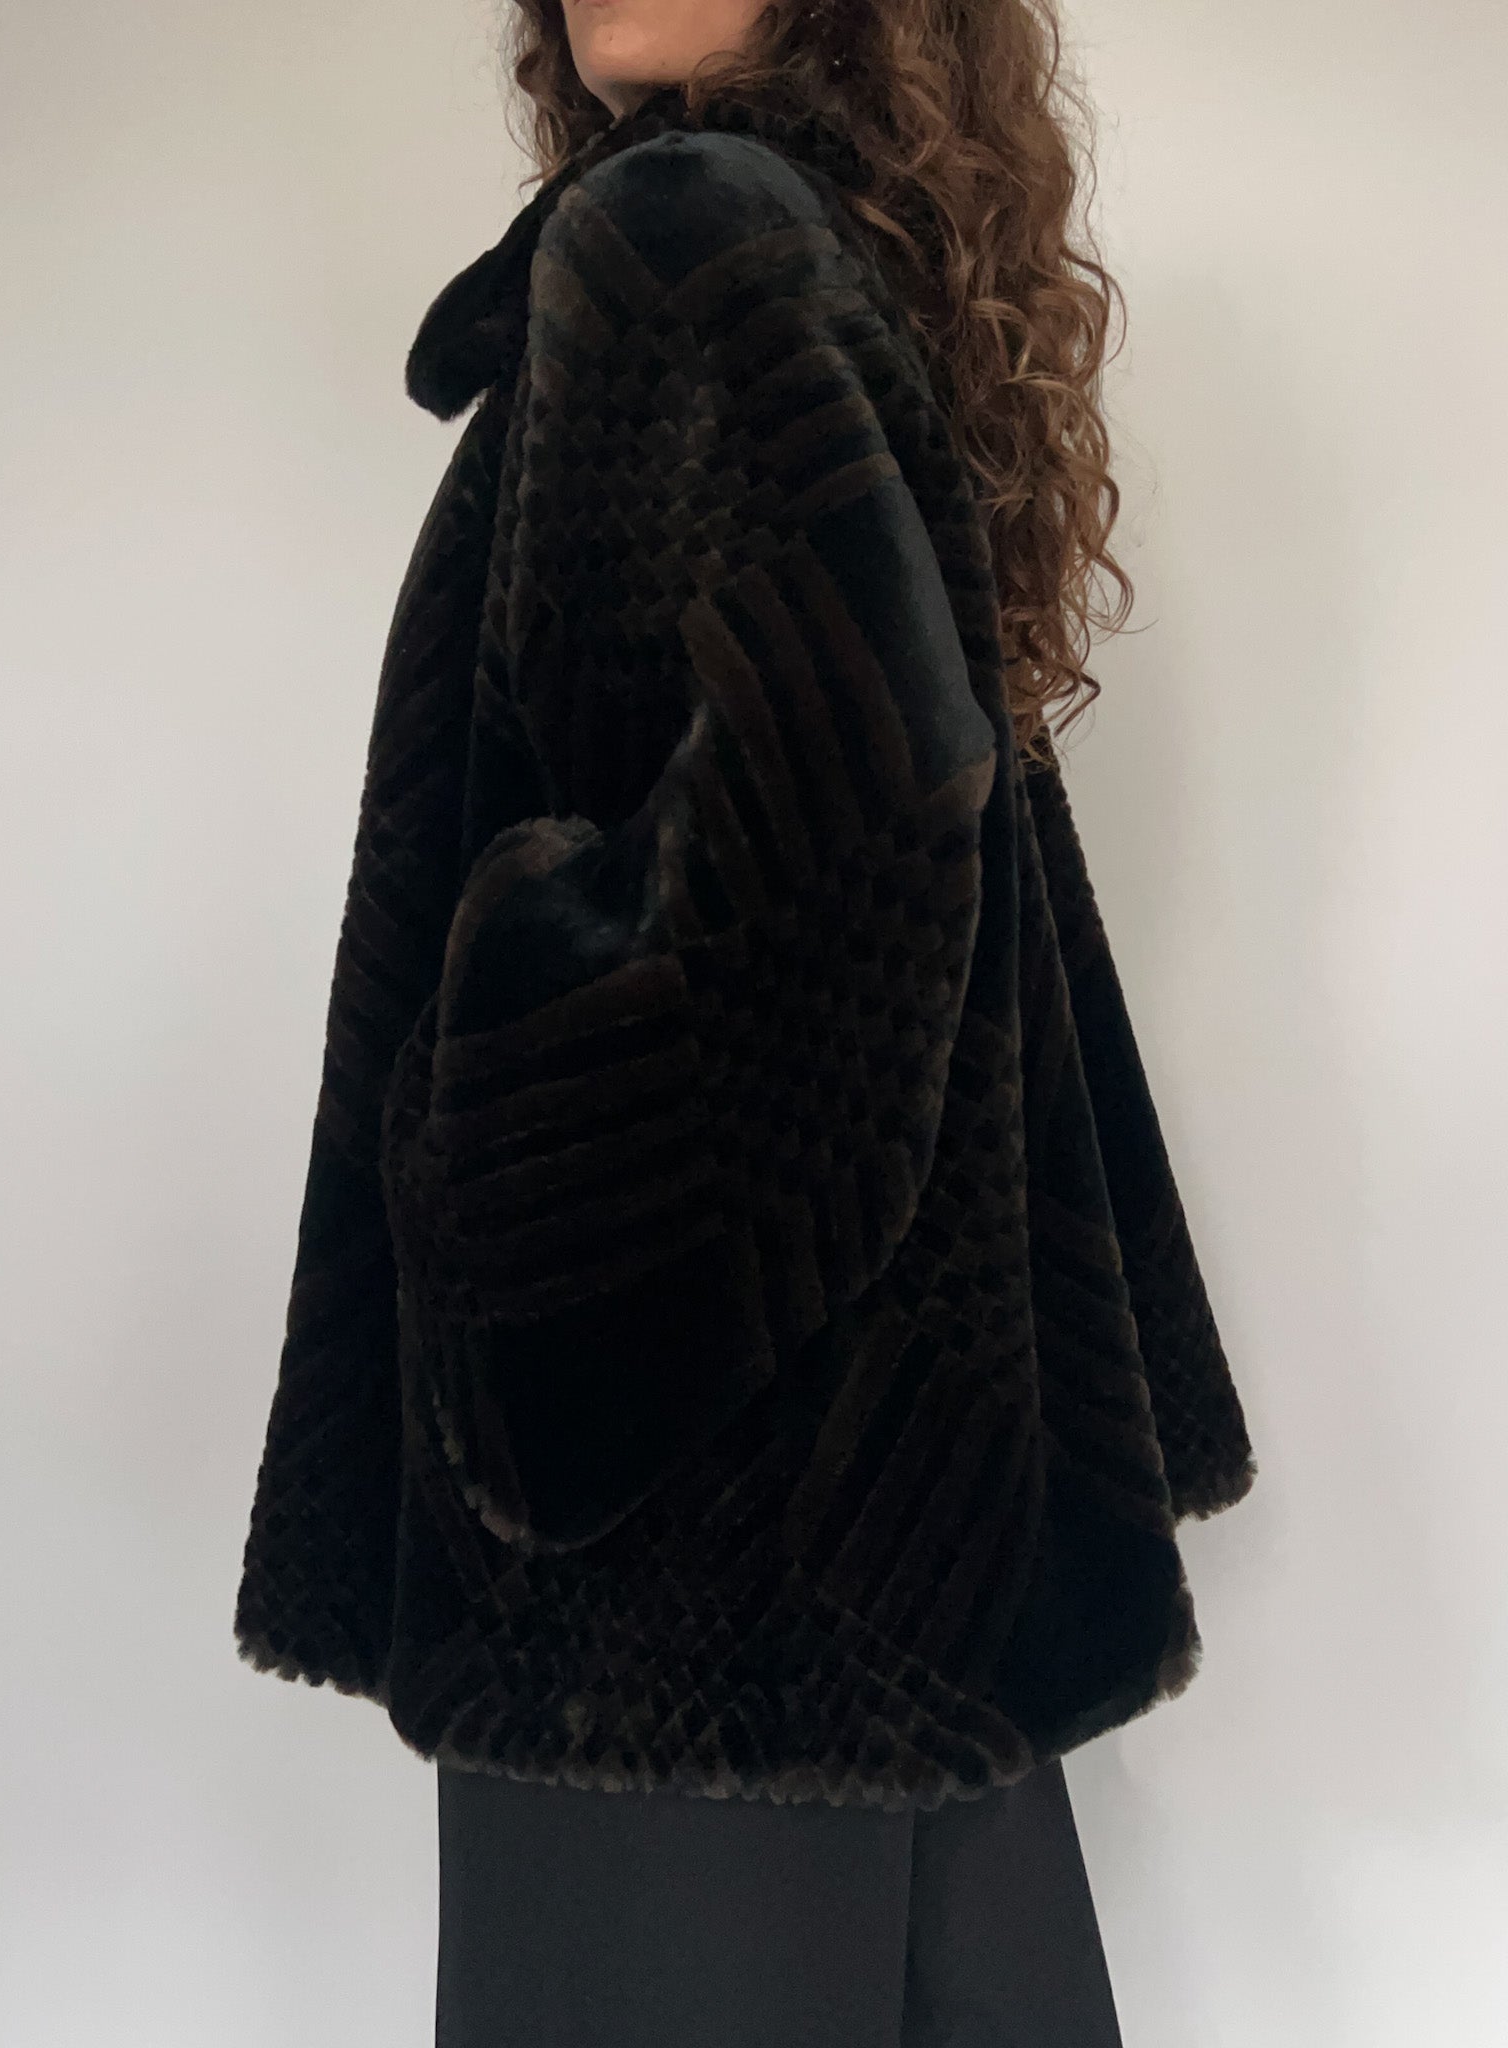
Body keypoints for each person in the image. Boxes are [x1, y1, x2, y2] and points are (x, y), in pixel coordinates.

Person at [233, 2, 1258, 2042]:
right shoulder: (805, 245)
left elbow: (850, 867)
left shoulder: (684, 236)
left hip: (674, 1573)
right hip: (888, 1530)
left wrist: (532, 1211)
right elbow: (936, 850)